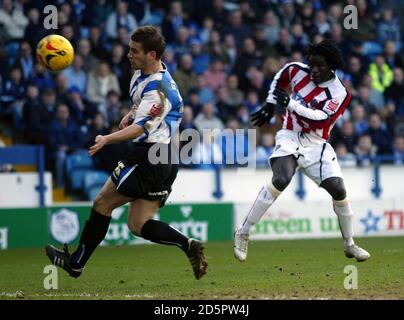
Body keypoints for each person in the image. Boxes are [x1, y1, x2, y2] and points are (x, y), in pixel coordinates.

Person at [45, 26, 208, 280]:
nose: (128, 54)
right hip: (165, 158)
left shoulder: (158, 89)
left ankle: (76, 262)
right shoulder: (145, 73)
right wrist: (130, 113)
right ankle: (189, 245)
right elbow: (141, 108)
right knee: (137, 225)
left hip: (150, 157)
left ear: (152, 55)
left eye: (134, 51)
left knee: (102, 203)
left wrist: (106, 139)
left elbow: (140, 127)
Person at [234, 40, 370, 263]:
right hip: (289, 135)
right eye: (312, 64)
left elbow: (322, 119)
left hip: (317, 143)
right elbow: (282, 77)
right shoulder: (297, 70)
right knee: (281, 178)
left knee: (338, 189)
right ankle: (243, 231)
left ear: (332, 66)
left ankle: (349, 244)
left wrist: (291, 104)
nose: (314, 70)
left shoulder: (339, 93)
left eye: (320, 66)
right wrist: (270, 103)